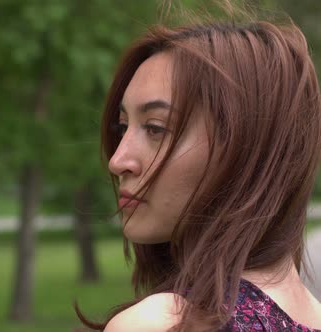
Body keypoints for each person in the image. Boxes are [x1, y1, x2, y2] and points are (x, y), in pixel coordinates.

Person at [75, 2, 321, 332]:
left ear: (245, 149)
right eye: (122, 127)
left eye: (155, 128)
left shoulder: (164, 324)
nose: (119, 160)